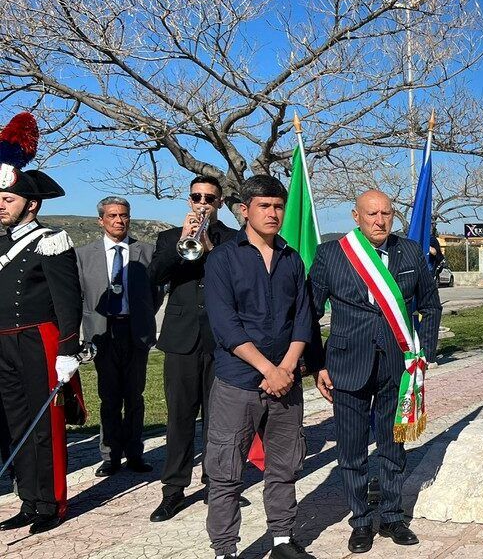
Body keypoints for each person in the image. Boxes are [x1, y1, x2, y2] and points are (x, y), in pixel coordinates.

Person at [308, 190, 441, 553]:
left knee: (392, 446)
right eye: (371, 214)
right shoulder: (331, 255)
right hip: (346, 366)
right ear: (356, 216)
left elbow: (429, 305)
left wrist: (423, 353)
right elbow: (309, 314)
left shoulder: (411, 251)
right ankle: (361, 520)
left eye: (386, 213)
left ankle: (393, 516)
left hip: (397, 367)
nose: (379, 220)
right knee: (351, 451)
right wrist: (317, 364)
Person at [204, 174, 315, 559]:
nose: (273, 213)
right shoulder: (222, 258)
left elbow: (304, 319)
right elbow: (225, 325)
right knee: (226, 472)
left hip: (285, 383)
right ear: (245, 210)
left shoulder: (292, 258)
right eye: (264, 206)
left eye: (279, 206)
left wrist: (285, 368)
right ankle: (225, 550)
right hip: (238, 383)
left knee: (284, 466)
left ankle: (282, 540)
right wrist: (269, 370)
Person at [0, 112, 87, 534]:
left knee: (45, 426)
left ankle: (50, 503)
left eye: (8, 199)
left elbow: (69, 301)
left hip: (39, 340)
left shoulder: (50, 240)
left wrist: (68, 351)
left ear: (31, 204)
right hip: (2, 345)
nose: (0, 204)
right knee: (16, 425)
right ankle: (28, 499)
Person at [147, 175, 241, 521]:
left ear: (219, 202)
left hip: (220, 341)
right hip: (181, 339)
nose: (202, 202)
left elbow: (235, 279)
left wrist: (210, 247)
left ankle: (217, 485)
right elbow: (154, 276)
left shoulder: (232, 239)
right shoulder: (168, 238)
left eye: (209, 198)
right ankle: (173, 490)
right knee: (180, 418)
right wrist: (184, 242)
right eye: (196, 197)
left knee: (220, 420)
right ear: (189, 200)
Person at [76, 196, 160, 476]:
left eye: (123, 215)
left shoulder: (146, 252)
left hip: (135, 332)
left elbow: (156, 294)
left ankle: (135, 452)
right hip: (102, 332)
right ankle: (109, 454)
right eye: (112, 216)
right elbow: (79, 296)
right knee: (109, 396)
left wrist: (142, 316)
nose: (119, 221)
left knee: (134, 395)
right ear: (101, 220)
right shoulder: (83, 255)